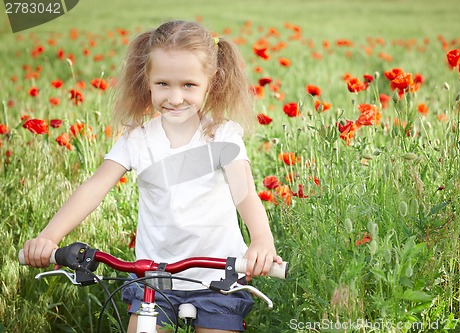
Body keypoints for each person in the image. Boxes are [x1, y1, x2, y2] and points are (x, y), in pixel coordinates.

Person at [22, 20, 282, 333]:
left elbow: (246, 194)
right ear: (147, 80)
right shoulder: (138, 139)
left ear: (211, 81)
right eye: (163, 84)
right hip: (154, 279)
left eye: (188, 85)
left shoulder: (222, 136)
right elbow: (94, 188)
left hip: (219, 277)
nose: (175, 97)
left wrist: (262, 241)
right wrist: (50, 237)